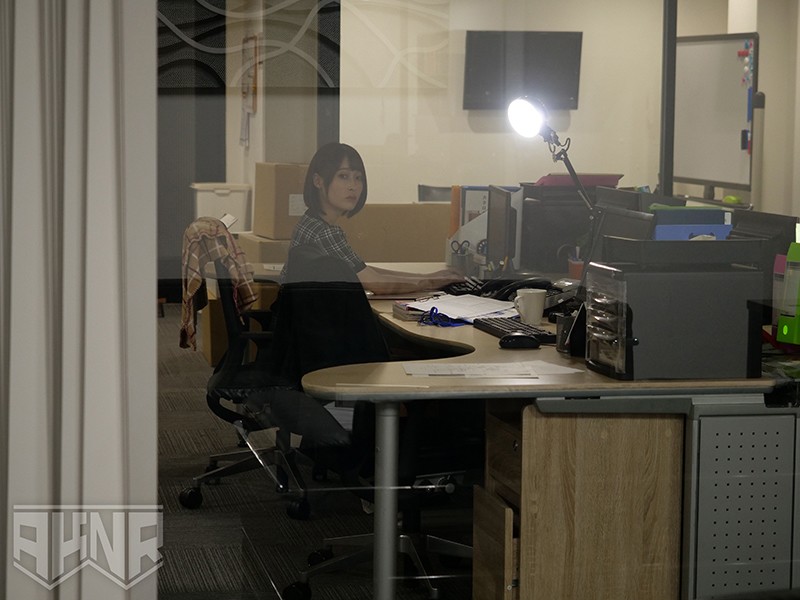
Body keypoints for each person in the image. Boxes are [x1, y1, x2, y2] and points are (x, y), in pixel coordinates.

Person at [280, 142, 463, 295]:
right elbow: (377, 283)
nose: (353, 186)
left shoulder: (310, 222)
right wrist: (430, 283)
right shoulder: (325, 233)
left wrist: (428, 277)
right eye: (343, 176)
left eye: (358, 177)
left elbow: (363, 270)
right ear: (318, 181)